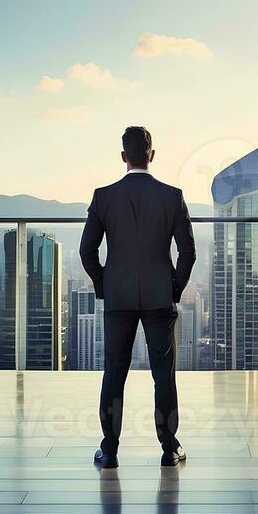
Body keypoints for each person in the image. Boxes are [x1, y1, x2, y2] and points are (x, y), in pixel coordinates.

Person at [79, 126, 196, 468]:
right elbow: (187, 251)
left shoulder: (103, 196)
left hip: (119, 299)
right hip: (161, 297)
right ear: (152, 155)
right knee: (164, 375)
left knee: (114, 372)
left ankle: (110, 450)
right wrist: (173, 286)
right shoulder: (172, 196)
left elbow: (87, 251)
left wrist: (105, 285)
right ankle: (169, 448)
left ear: (123, 156)